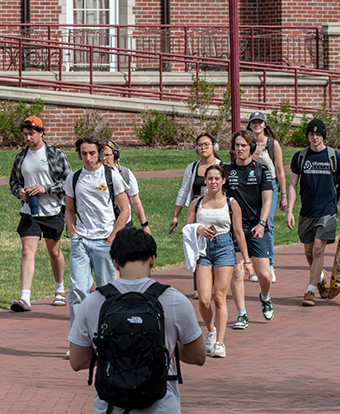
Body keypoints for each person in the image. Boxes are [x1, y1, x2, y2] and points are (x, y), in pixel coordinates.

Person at [68, 228, 206, 413]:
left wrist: (117, 351)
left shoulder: (93, 302)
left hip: (111, 407)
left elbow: (77, 361)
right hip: (161, 407)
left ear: (115, 263)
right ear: (152, 260)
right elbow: (198, 356)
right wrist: (160, 348)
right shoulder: (174, 300)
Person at [184, 165, 253, 357]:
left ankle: (220, 342)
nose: (213, 182)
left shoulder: (231, 203)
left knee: (219, 298)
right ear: (205, 181)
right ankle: (211, 331)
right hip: (204, 250)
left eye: (216, 178)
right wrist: (198, 230)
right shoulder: (197, 203)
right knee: (204, 300)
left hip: (224, 248)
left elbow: (238, 233)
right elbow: (186, 227)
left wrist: (247, 261)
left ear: (223, 181)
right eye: (209, 178)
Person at [64, 136, 130, 326]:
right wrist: (74, 234)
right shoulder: (74, 178)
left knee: (107, 292)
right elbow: (69, 209)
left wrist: (112, 237)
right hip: (81, 242)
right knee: (77, 291)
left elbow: (125, 211)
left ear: (100, 154)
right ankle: (79, 341)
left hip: (104, 242)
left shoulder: (112, 176)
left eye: (92, 153)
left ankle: (106, 338)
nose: (88, 157)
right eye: (84, 153)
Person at [286, 118, 340, 307]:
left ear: (323, 136)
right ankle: (321, 277)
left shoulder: (333, 156)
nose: (314, 138)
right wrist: (290, 210)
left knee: (317, 249)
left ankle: (310, 290)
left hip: (327, 210)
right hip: (307, 211)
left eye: (318, 134)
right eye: (311, 134)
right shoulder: (300, 156)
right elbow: (292, 184)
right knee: (308, 253)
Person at [9, 116, 72, 312]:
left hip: (52, 211)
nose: (27, 138)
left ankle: (59, 289)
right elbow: (14, 182)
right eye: (25, 134)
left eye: (31, 134)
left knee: (54, 252)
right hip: (29, 212)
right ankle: (25, 298)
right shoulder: (21, 156)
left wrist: (46, 188)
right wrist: (18, 191)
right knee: (28, 251)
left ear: (41, 132)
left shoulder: (54, 153)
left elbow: (69, 181)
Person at [223, 130, 274, 329]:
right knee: (237, 272)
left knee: (264, 276)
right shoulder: (226, 170)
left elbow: (268, 199)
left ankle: (265, 296)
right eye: (237, 145)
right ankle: (242, 314)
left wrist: (262, 223)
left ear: (251, 147)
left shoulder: (261, 169)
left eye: (244, 145)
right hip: (233, 228)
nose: (240, 149)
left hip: (256, 226)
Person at [247, 111, 287, 283]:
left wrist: (284, 194)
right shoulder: (247, 143)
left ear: (264, 124)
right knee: (253, 224)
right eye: (254, 122)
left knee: (266, 224)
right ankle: (257, 265)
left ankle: (269, 265)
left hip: (269, 186)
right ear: (249, 125)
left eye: (260, 122)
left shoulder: (272, 144)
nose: (257, 125)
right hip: (251, 187)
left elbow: (279, 171)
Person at [169, 133, 222, 233]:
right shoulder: (192, 168)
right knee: (195, 236)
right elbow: (183, 191)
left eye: (206, 144)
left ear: (214, 147)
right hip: (197, 208)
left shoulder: (221, 166)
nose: (203, 147)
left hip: (215, 208)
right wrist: (175, 216)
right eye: (200, 145)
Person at [102, 139, 151, 234]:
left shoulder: (125, 174)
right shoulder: (92, 176)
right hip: (102, 226)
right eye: (101, 155)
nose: (104, 158)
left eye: (107, 155)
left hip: (124, 224)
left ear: (115, 156)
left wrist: (144, 225)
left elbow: (135, 202)